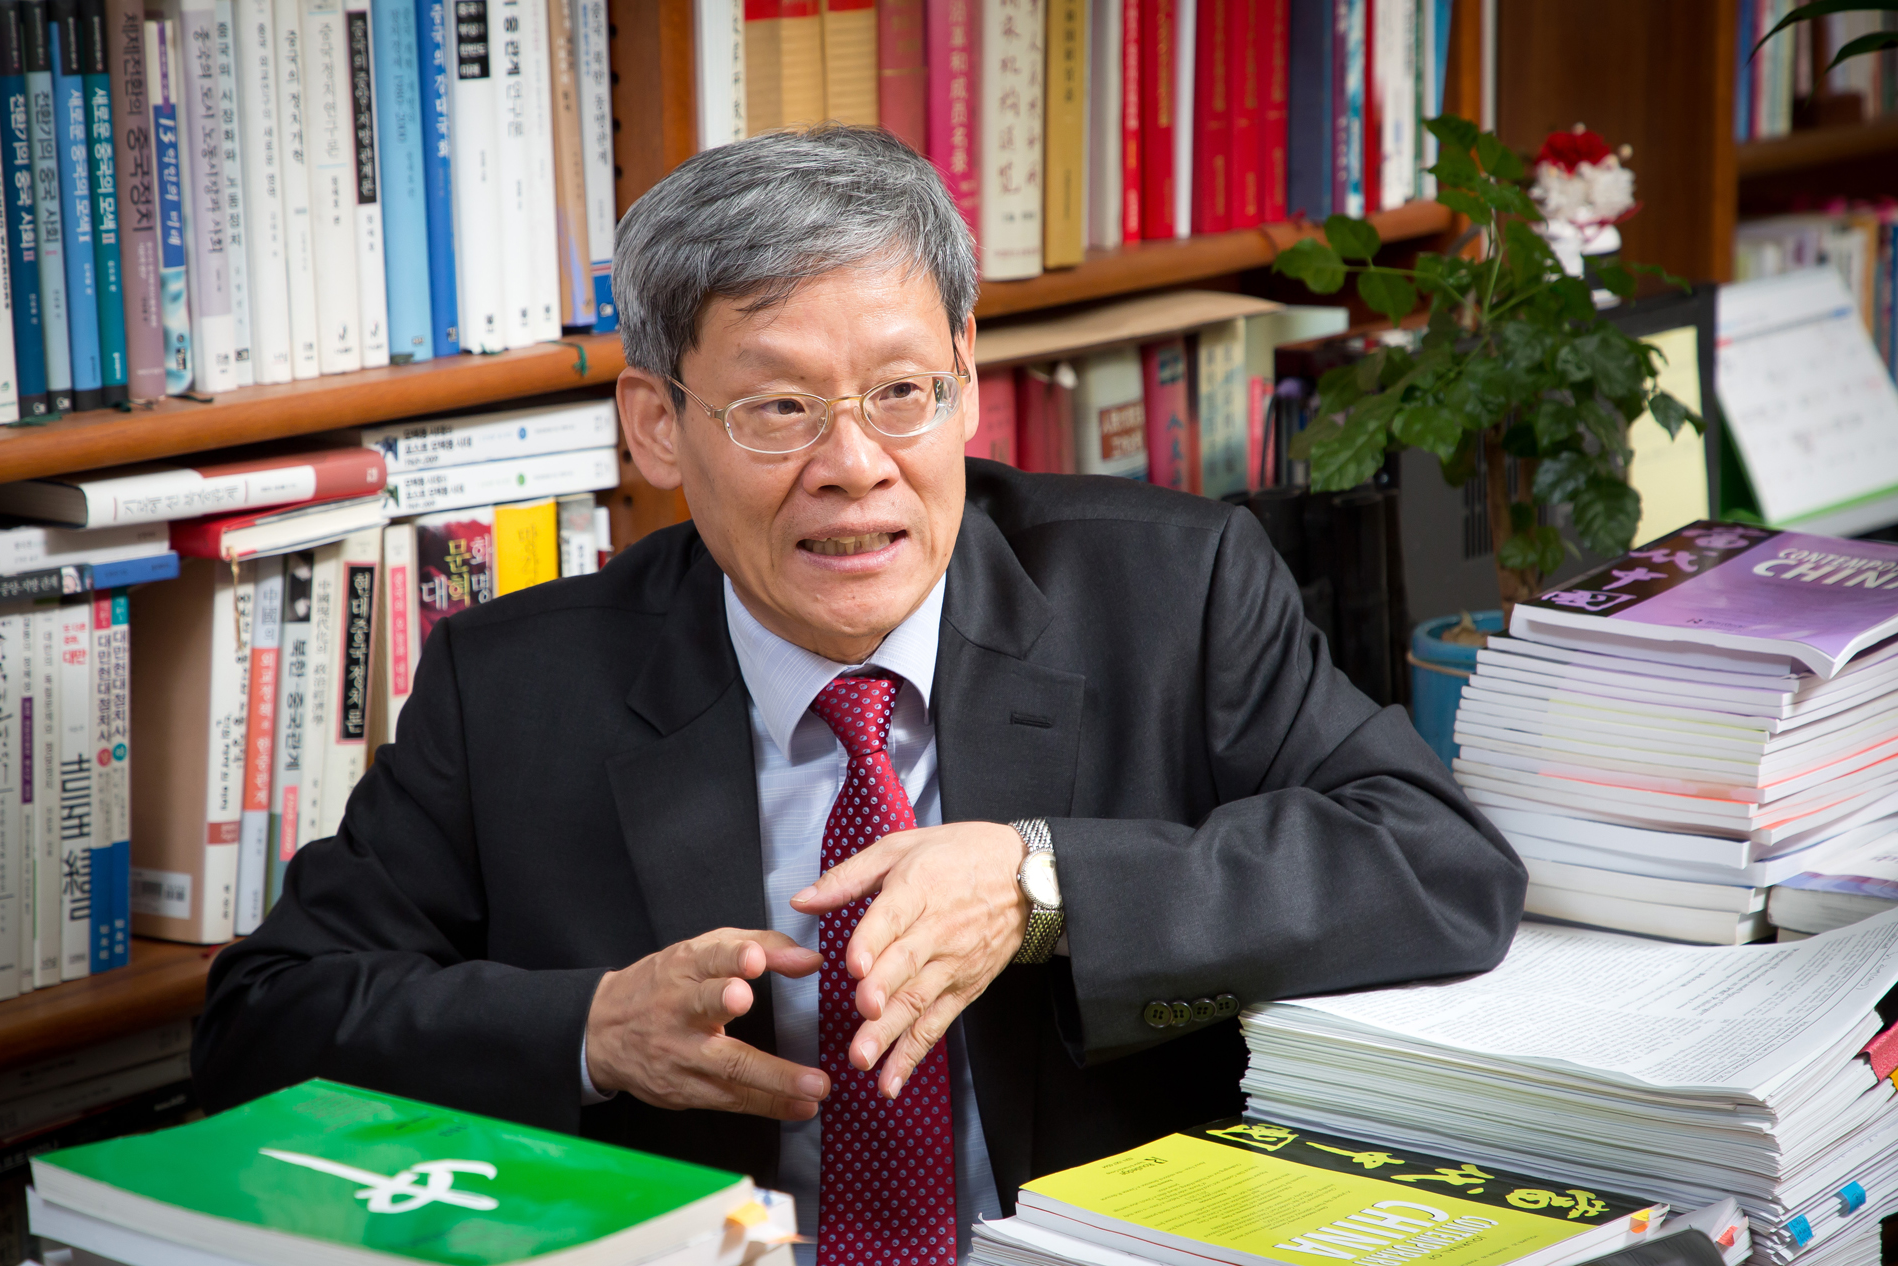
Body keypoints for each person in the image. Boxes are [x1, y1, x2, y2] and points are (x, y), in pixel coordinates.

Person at [194, 125, 1526, 1266]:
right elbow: (264, 1021)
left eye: (900, 392)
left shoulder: (1173, 591)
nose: (855, 464)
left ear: (966, 379)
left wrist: (1043, 883)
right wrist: (591, 1030)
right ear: (658, 426)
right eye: (779, 409)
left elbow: (1439, 864)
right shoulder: (517, 687)